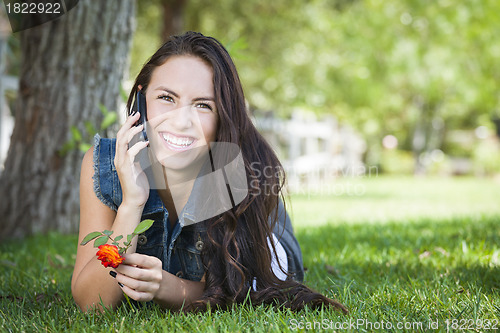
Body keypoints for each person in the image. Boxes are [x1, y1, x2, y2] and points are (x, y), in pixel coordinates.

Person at [71, 31, 347, 313]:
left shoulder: (241, 173)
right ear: (142, 99)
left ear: (222, 115)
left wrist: (165, 287)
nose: (181, 121)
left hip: (265, 233)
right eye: (167, 98)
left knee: (273, 269)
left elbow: (241, 291)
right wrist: (131, 204)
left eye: (203, 105)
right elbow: (93, 304)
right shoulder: (104, 163)